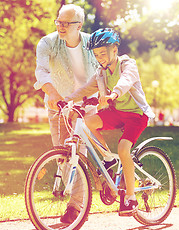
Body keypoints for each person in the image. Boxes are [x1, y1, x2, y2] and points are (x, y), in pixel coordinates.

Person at [65, 28, 155, 216]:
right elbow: (85, 89)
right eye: (97, 55)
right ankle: (108, 157)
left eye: (103, 53)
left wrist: (113, 94)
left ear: (115, 49)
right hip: (117, 112)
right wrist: (68, 100)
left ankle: (130, 198)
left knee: (123, 149)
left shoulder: (127, 64)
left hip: (136, 115)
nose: (100, 58)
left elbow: (126, 80)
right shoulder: (101, 72)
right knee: (87, 122)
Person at [33, 4, 98, 223]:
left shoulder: (93, 43)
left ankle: (76, 206)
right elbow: (41, 71)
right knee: (63, 155)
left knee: (79, 154)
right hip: (58, 105)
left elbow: (105, 67)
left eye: (66, 23)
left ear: (78, 25)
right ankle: (87, 192)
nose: (60, 26)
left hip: (86, 104)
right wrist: (52, 92)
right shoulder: (48, 43)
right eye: (58, 21)